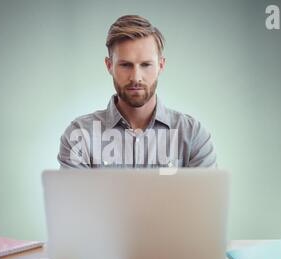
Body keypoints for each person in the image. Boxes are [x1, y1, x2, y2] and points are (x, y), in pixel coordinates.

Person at [58, 15, 216, 168]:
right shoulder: (80, 135)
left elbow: (206, 195)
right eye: (126, 65)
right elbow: (73, 196)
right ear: (109, 66)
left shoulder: (192, 135)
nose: (136, 77)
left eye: (146, 64)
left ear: (161, 65)